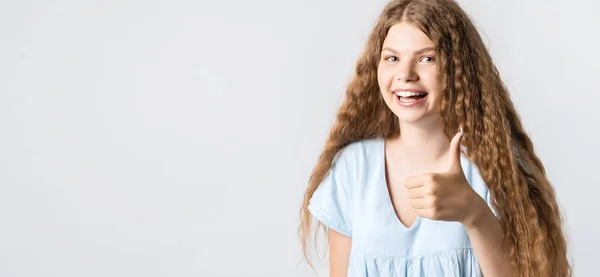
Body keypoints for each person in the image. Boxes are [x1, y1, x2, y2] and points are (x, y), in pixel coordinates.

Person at [298, 0, 572, 276]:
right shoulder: (353, 168)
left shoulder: (495, 168)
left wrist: (474, 214)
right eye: (392, 58)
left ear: (458, 70)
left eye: (427, 58)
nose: (405, 75)